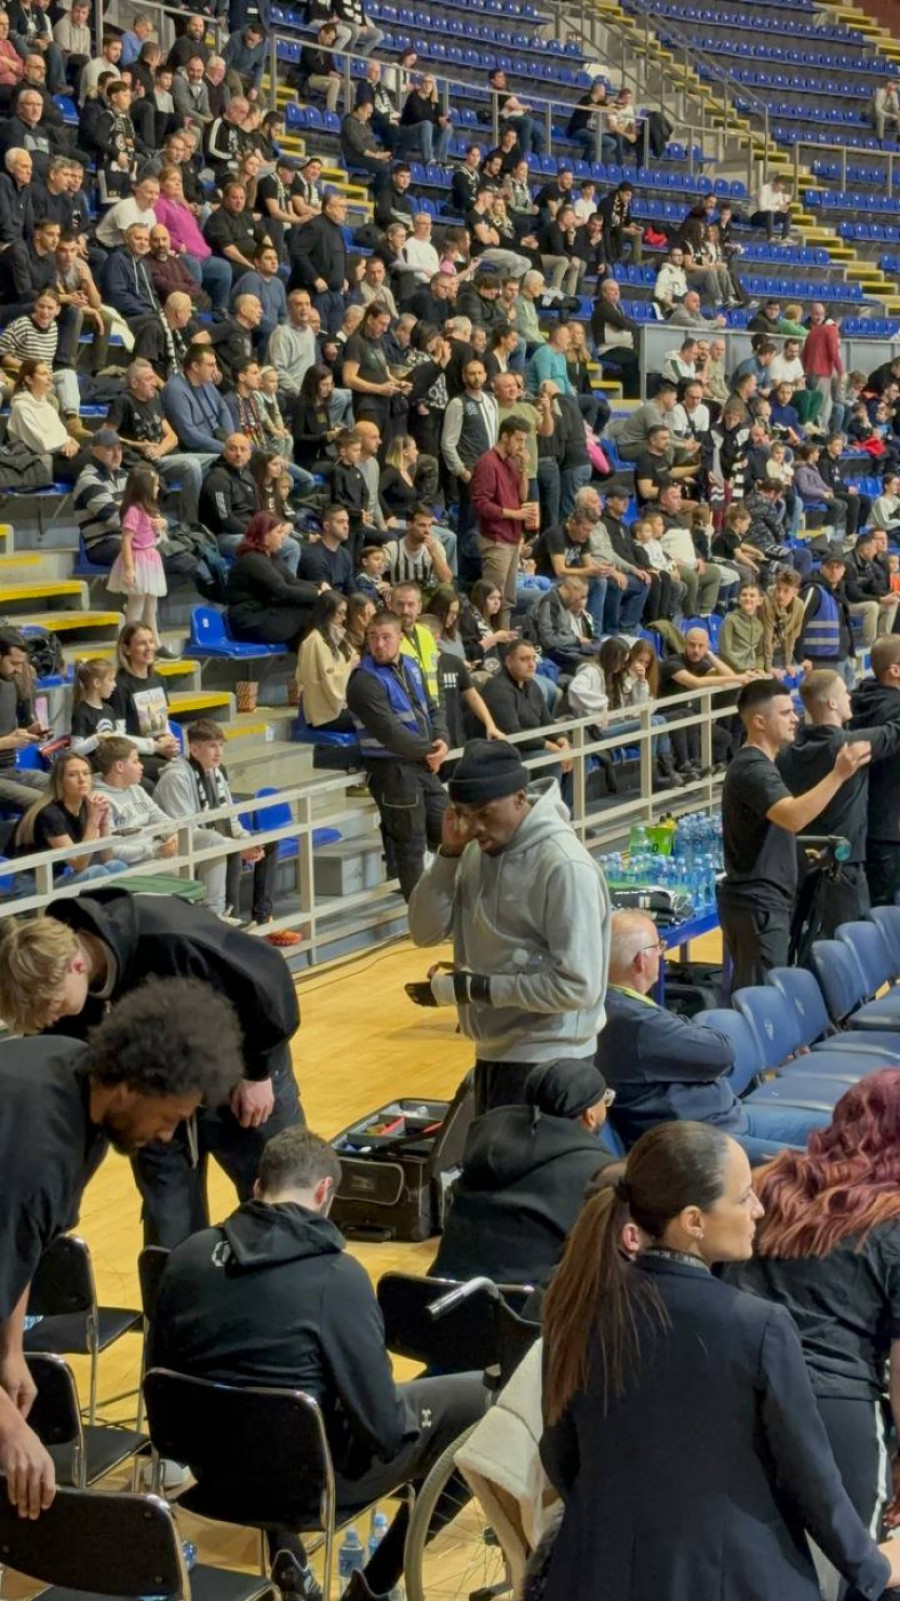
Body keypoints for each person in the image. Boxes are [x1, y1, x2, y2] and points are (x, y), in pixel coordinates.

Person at [538, 1122, 900, 1601]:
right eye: (744, 1197)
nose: (759, 1209)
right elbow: (811, 1482)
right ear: (694, 1221)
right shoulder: (759, 1327)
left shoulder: (574, 1307)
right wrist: (873, 1566)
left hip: (592, 1575)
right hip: (731, 1581)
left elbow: (560, 1456)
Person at [148, 1124, 485, 1601]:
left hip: (212, 1472)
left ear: (257, 1186)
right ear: (325, 1191)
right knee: (481, 1400)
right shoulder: (337, 1277)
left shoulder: (186, 1257)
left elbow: (161, 1382)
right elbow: (385, 1431)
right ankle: (372, 1587)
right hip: (309, 1485)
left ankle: (287, 1554)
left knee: (265, 1392)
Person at [0, 978, 244, 1518]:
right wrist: (11, 1431)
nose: (166, 1137)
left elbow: (20, 1249)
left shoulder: (72, 1072)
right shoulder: (35, 1157)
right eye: (170, 1119)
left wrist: (10, 1351)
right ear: (132, 1085)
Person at [0, 886, 304, 1249]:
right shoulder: (55, 976)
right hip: (155, 1100)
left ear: (77, 966)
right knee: (168, 1220)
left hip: (242, 1073)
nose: (50, 1017)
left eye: (52, 1005)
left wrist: (257, 1071)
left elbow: (269, 978)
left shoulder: (172, 938)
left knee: (276, 1196)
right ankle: (176, 1284)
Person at [728, 1070, 900, 1545]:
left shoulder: (765, 1185)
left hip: (727, 1393)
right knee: (858, 1566)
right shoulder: (892, 1221)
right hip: (832, 1412)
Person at [408, 738, 611, 1114]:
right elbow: (424, 932)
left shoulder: (564, 866)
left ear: (520, 798)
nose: (473, 827)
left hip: (552, 1060)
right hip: (493, 1053)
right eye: (463, 814)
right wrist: (448, 854)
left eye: (484, 813)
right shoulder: (471, 851)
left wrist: (478, 988)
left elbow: (577, 986)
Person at [596, 910, 812, 1157]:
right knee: (825, 1161)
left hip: (731, 1118)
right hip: (704, 1143)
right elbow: (722, 1053)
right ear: (641, 961)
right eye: (658, 947)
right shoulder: (635, 1021)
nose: (662, 953)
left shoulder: (622, 1006)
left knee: (840, 1128)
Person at [717, 678, 871, 990]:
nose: (795, 719)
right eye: (785, 713)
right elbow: (793, 817)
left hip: (765, 901)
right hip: (757, 904)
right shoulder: (752, 769)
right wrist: (838, 775)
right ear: (759, 722)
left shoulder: (765, 764)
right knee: (764, 998)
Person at [431, 1058, 618, 1287]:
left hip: (443, 1296)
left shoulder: (483, 1146)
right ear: (590, 1115)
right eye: (605, 1100)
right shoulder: (599, 1173)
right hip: (527, 1304)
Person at [776, 668, 900, 933]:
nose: (850, 697)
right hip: (843, 868)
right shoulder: (850, 746)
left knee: (805, 943)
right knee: (853, 942)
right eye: (845, 693)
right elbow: (895, 733)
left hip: (799, 864)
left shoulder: (787, 750)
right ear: (832, 702)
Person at [346, 608, 448, 900]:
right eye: (373, 637)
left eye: (385, 637)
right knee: (411, 846)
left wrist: (443, 740)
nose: (378, 644)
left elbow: (433, 707)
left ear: (400, 637)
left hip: (423, 764)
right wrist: (430, 752)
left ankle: (452, 903)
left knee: (451, 832)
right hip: (392, 771)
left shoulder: (412, 665)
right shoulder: (363, 680)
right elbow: (389, 732)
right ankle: (418, 915)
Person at [13, 750, 131, 884]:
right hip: (35, 884)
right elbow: (79, 864)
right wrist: (93, 821)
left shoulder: (87, 805)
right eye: (72, 775)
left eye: (86, 773)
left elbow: (106, 858)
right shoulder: (49, 813)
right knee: (97, 872)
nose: (82, 780)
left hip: (59, 876)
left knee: (115, 865)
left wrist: (103, 822)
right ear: (60, 781)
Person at [470, 414, 540, 629]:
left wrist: (524, 468)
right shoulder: (487, 463)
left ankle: (504, 638)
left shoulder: (511, 462)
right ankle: (487, 637)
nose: (521, 445)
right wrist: (514, 514)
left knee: (507, 599)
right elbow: (481, 503)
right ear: (504, 436)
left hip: (512, 537)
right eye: (518, 440)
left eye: (524, 441)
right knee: (491, 598)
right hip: (495, 538)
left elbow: (522, 496)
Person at [850, 635, 900, 908]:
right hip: (890, 833)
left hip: (866, 825)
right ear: (895, 670)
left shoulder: (861, 699)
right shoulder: (894, 710)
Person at [226, 511, 321, 651]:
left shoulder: (271, 557)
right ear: (265, 535)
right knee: (309, 612)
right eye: (279, 532)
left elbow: (293, 582)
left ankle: (313, 658)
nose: (284, 537)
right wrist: (318, 595)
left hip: (266, 614)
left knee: (315, 610)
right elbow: (281, 592)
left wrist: (319, 586)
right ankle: (314, 659)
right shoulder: (253, 560)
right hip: (251, 623)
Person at [106, 463, 168, 644]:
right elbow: (126, 540)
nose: (158, 488)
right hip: (138, 560)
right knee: (136, 605)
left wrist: (163, 524)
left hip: (150, 560)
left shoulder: (150, 509)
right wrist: (129, 569)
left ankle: (155, 642)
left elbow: (158, 533)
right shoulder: (133, 511)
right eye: (155, 485)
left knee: (151, 606)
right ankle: (127, 642)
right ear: (144, 488)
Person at [111, 622, 179, 785]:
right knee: (175, 776)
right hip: (135, 756)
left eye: (151, 641)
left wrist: (170, 742)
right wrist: (154, 746)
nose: (149, 648)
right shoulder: (119, 685)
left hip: (160, 751)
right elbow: (118, 736)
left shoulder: (159, 679)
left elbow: (164, 722)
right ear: (127, 649)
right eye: (142, 643)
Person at [295, 590, 359, 733]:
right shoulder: (314, 642)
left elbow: (352, 656)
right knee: (373, 718)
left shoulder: (335, 636)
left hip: (339, 706)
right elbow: (328, 681)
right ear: (327, 613)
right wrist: (350, 666)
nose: (343, 618)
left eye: (345, 613)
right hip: (325, 714)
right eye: (340, 613)